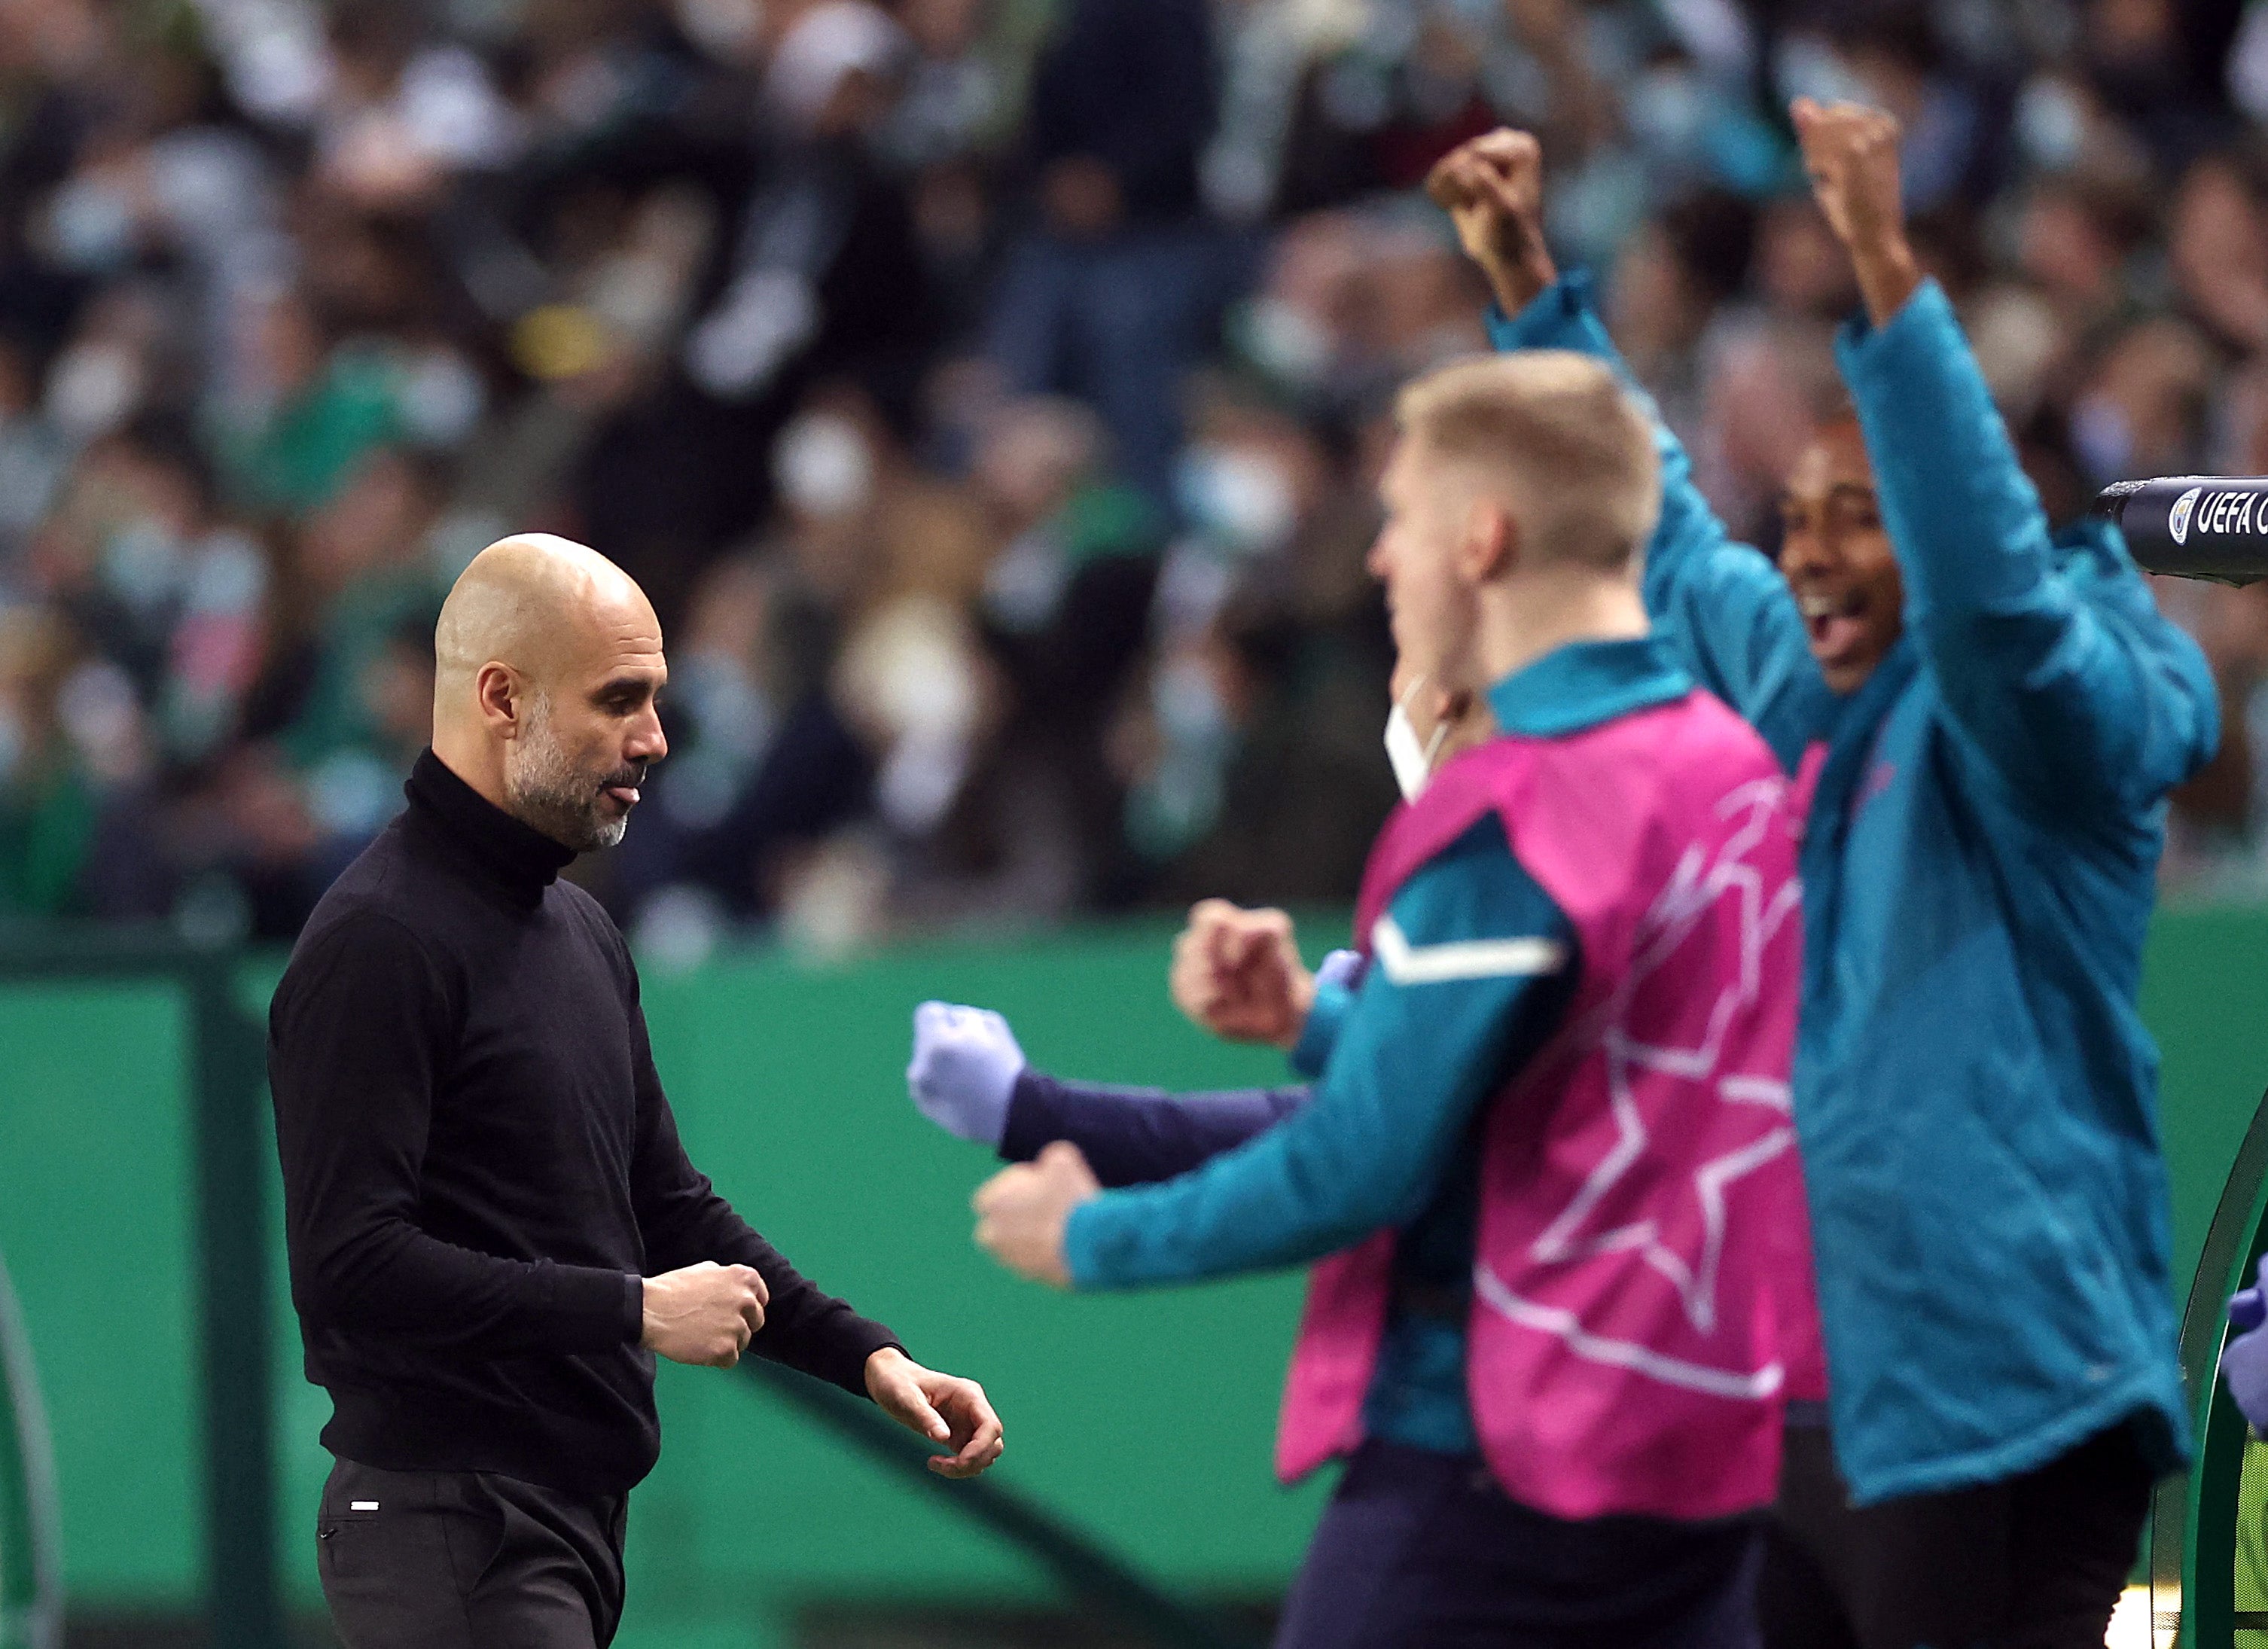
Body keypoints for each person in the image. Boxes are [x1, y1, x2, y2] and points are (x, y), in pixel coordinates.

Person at [1425, 108, 2218, 1648]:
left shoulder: (2061, 714)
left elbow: (1992, 605)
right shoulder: (1822, 706)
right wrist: (1528, 287)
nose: (1805, 555)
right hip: (1833, 1388)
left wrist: (1884, 272)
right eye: (1800, 519)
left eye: (1858, 517)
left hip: (2002, 1379)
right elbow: (1666, 545)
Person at [960, 349, 1815, 1646]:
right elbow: (1571, 1085)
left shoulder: (1514, 815)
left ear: (1483, 537)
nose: (1380, 558)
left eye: (1403, 516)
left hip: (1493, 1458)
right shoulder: (1732, 764)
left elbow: (1358, 1161)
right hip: (1702, 1451)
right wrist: (1315, 1019)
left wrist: (1093, 1236)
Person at [267, 532, 1003, 1649]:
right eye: (618, 700)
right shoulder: (379, 940)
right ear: (502, 698)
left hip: (558, 1527)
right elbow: (349, 1265)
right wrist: (634, 1310)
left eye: (655, 698)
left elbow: (667, 1208)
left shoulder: (580, 929)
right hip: (450, 1526)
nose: (654, 738)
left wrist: (867, 1356)